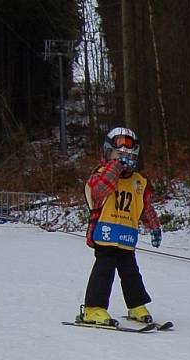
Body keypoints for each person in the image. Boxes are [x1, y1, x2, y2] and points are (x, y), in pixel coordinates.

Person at [77, 127, 163, 326]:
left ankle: (136, 305)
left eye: (129, 155)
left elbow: (144, 207)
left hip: (126, 236)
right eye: (119, 154)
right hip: (105, 234)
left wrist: (154, 227)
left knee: (131, 272)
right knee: (104, 269)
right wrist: (115, 168)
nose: (125, 158)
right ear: (108, 153)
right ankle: (93, 308)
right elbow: (99, 192)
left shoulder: (139, 181)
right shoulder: (100, 176)